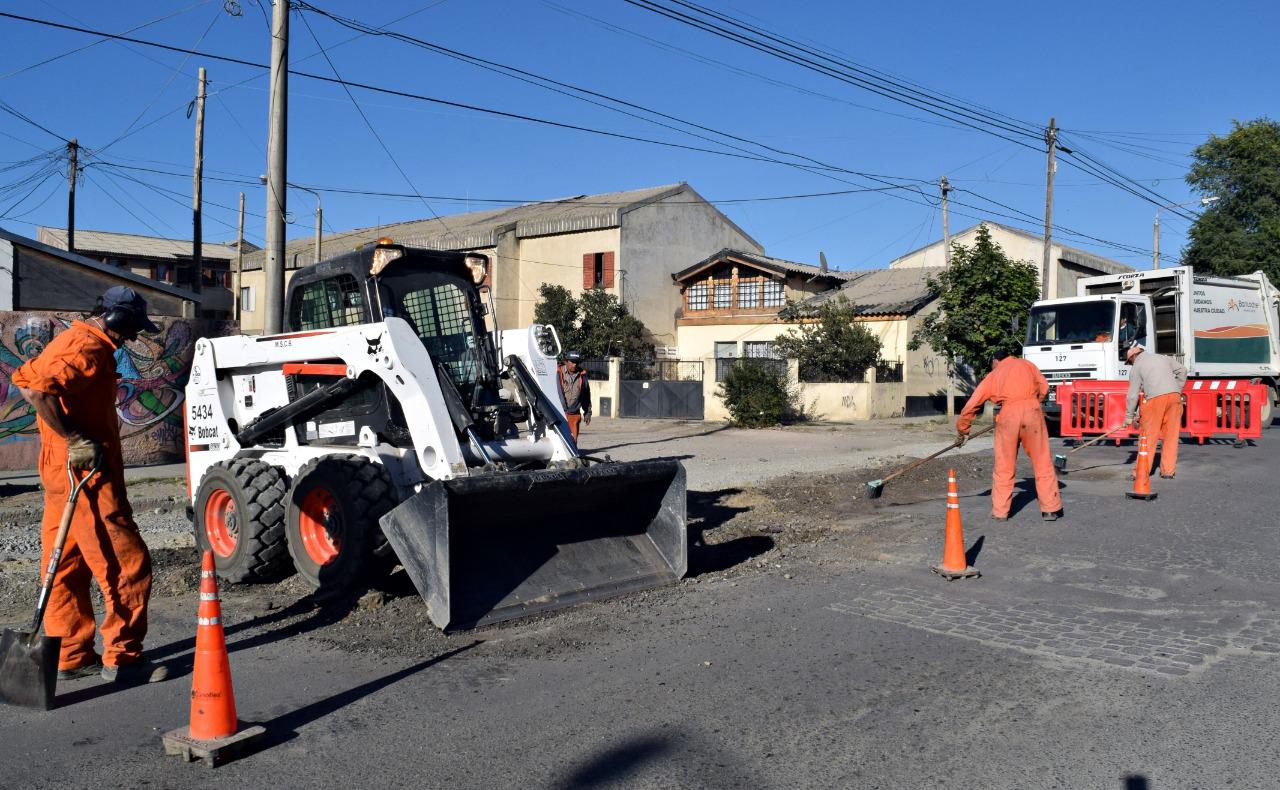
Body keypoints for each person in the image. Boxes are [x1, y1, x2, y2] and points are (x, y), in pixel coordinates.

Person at [11, 286, 167, 684]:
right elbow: (39, 391)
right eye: (130, 327)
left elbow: (27, 378)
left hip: (62, 473)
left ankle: (71, 654)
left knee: (65, 564)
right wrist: (75, 438)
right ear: (115, 318)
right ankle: (124, 656)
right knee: (126, 564)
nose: (131, 337)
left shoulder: (71, 338)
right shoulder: (88, 347)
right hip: (86, 476)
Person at [956, 347, 1064, 521]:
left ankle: (1000, 512)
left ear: (995, 361)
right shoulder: (1028, 365)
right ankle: (1050, 509)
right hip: (1032, 411)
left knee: (1004, 464)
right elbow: (1044, 387)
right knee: (1042, 461)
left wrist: (963, 430)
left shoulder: (995, 374)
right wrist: (1033, 404)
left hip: (1008, 415)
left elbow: (972, 404)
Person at [1124, 343, 1187, 479]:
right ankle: (1168, 471)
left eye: (1129, 362)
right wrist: (1177, 388)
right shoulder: (1162, 358)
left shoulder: (1137, 366)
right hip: (1175, 398)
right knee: (1171, 436)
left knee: (1148, 437)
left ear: (1134, 356)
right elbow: (1182, 370)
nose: (1130, 364)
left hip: (1154, 399)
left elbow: (1133, 394)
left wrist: (1129, 415)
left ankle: (1141, 472)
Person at [557, 351, 592, 442]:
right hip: (558, 413)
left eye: (576, 362)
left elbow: (586, 395)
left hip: (573, 414)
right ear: (566, 361)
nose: (574, 365)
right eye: (572, 362)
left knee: (572, 441)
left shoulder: (582, 376)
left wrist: (587, 412)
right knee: (558, 441)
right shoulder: (557, 373)